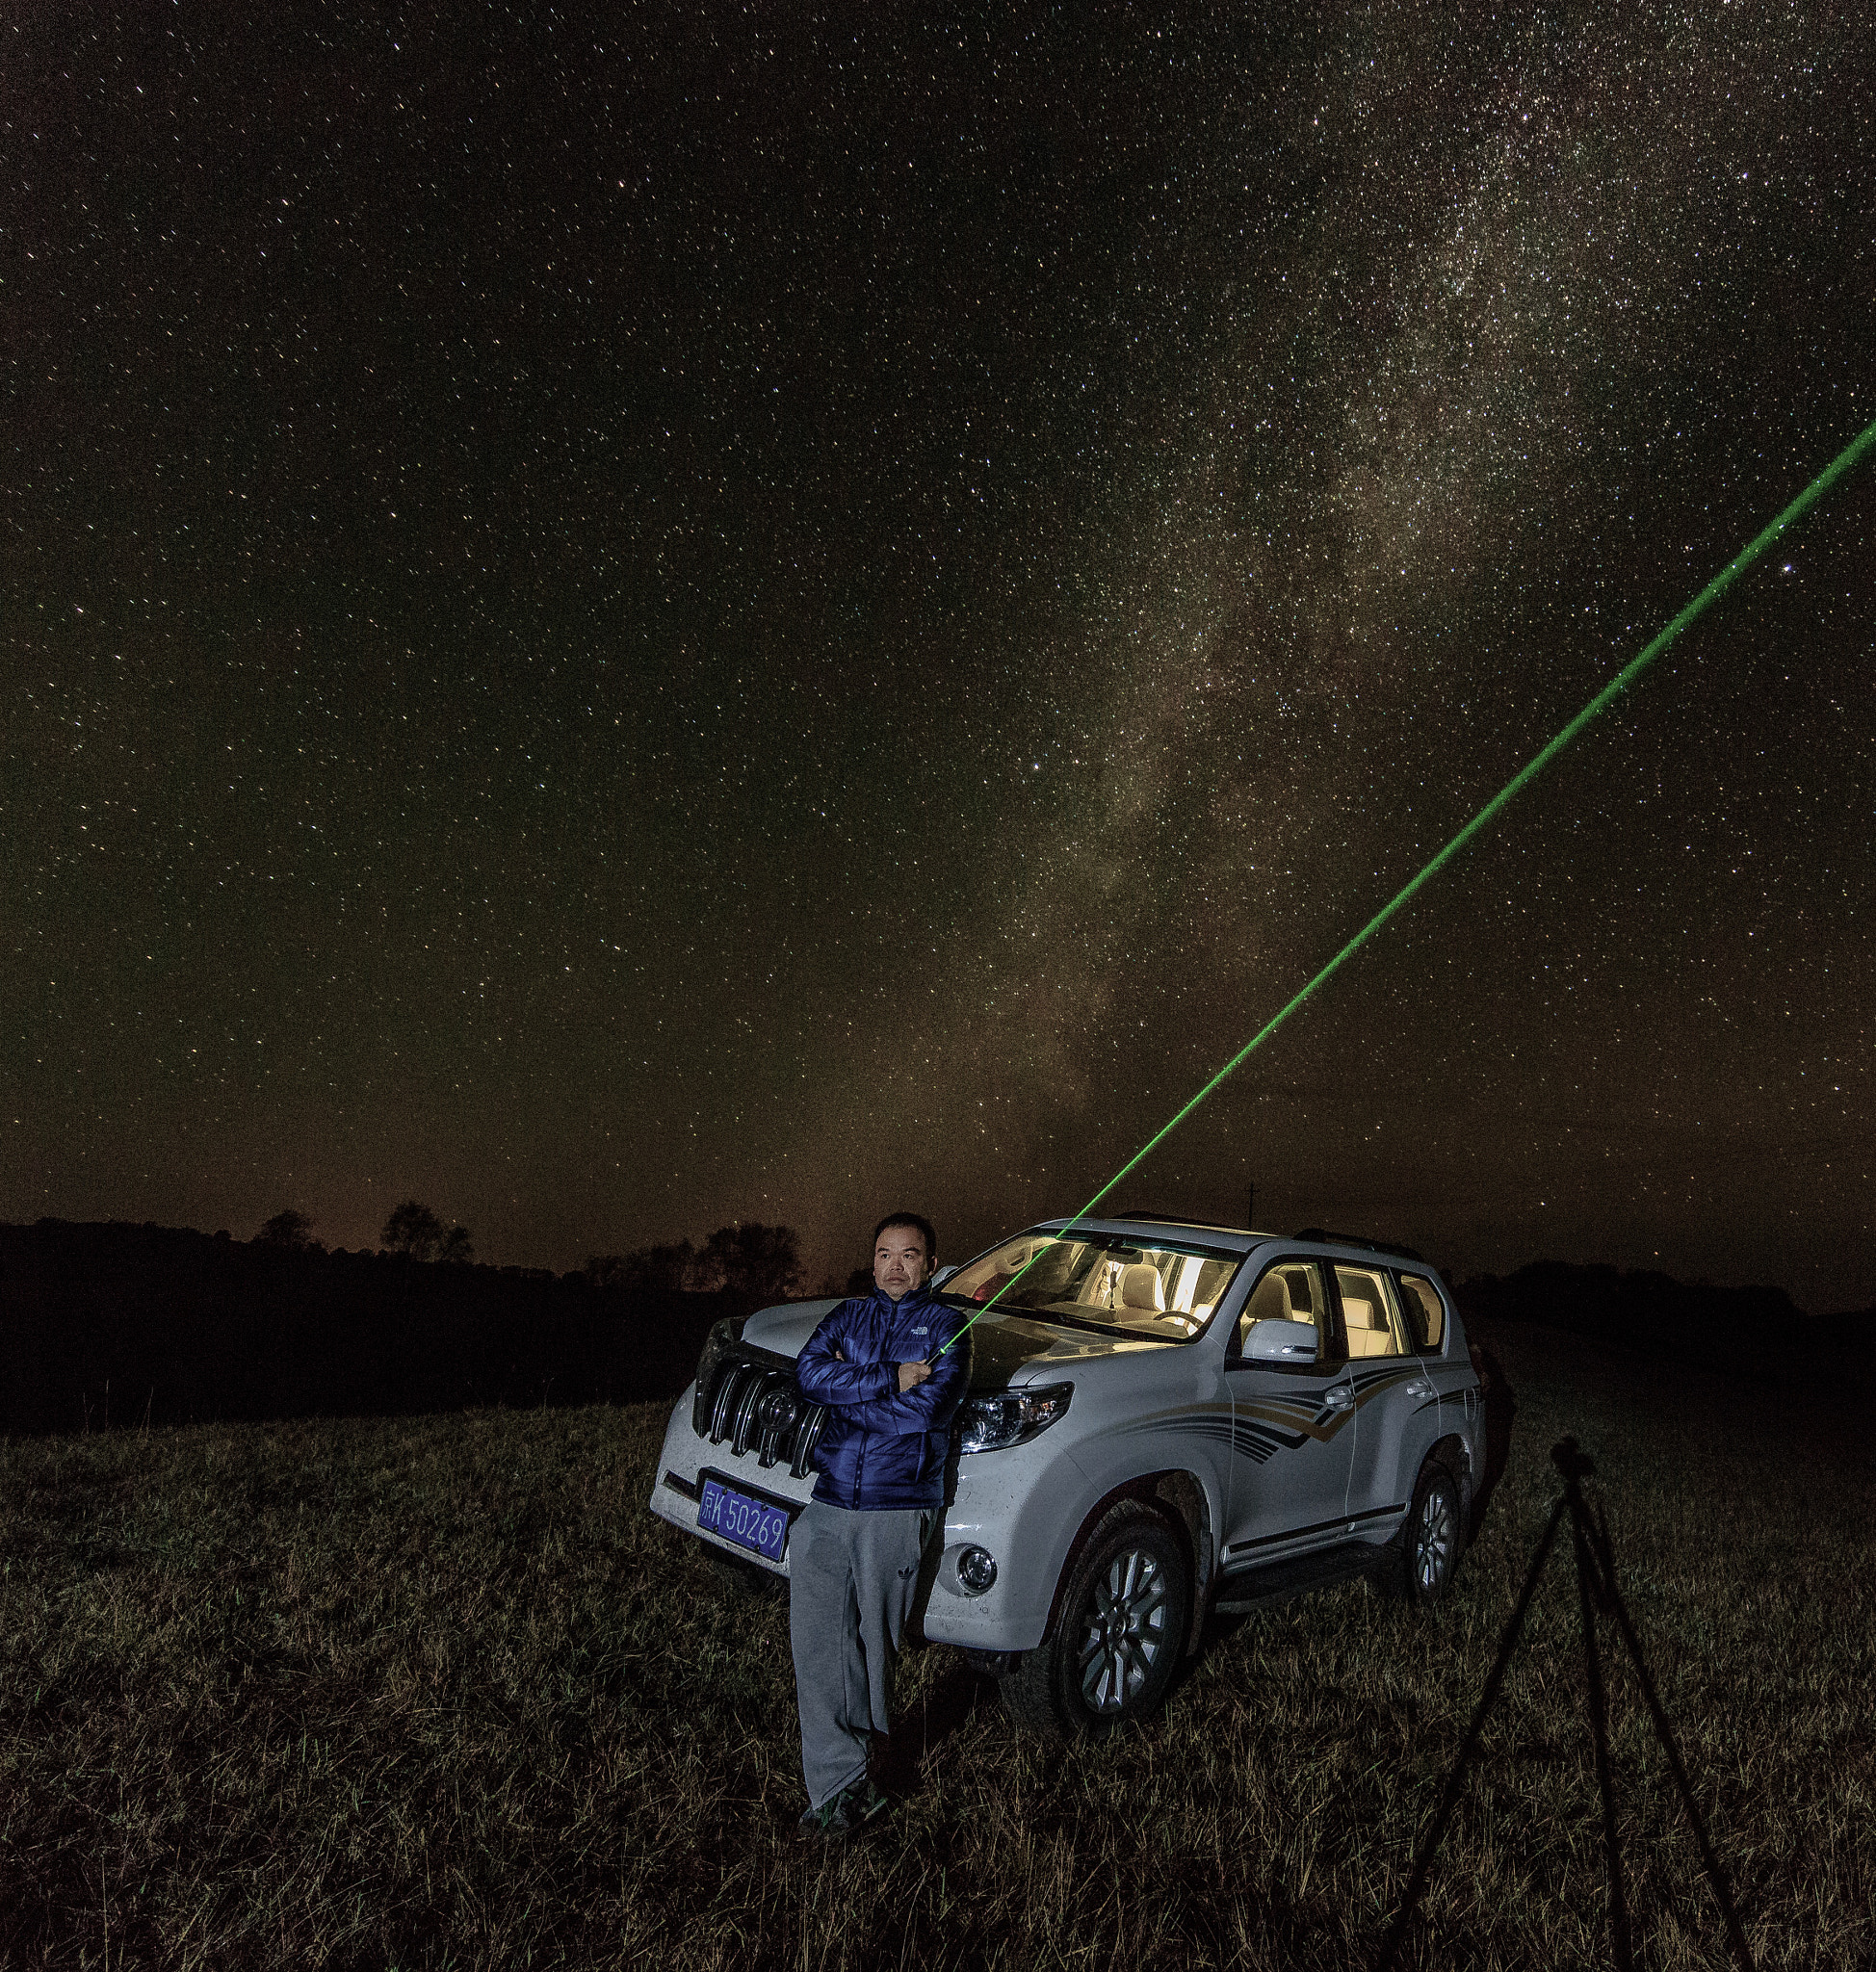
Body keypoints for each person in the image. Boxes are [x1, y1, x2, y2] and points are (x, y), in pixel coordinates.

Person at [789, 1210, 970, 1836]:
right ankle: (836, 1789)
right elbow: (809, 1377)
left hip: (898, 1506)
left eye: (910, 1255)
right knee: (817, 1647)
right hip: (831, 1500)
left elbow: (929, 1412)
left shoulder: (949, 1326)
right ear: (871, 1262)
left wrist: (853, 1393)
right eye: (885, 1254)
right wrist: (889, 1378)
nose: (896, 1266)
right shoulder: (845, 1317)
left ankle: (863, 1770)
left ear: (930, 1264)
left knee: (871, 1651)